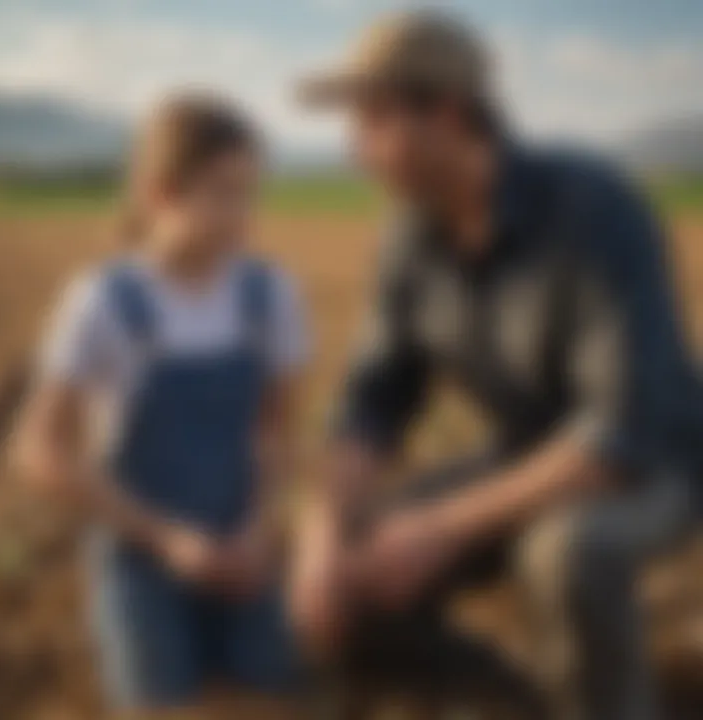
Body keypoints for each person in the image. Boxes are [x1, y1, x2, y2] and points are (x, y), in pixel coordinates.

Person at [290, 10, 703, 720]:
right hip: (532, 457)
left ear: (448, 113)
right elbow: (374, 399)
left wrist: (442, 528)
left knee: (567, 550)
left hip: (661, 464)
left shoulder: (596, 209)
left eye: (372, 122)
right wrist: (325, 529)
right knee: (352, 566)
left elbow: (621, 434)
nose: (355, 151)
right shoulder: (409, 238)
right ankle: (515, 699)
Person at [18, 95, 308, 716]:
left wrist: (260, 528)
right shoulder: (102, 302)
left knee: (267, 693)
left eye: (250, 194)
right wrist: (169, 540)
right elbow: (38, 453)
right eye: (224, 194)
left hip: (241, 549)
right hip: (139, 559)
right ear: (160, 194)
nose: (243, 217)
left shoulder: (269, 294)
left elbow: (278, 434)